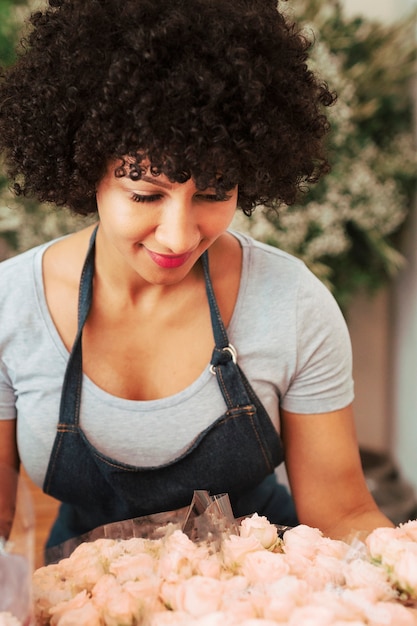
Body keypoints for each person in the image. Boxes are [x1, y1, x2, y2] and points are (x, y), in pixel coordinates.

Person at [0, 0, 393, 551]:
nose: (180, 236)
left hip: (268, 592)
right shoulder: (11, 306)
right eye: (144, 194)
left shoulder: (294, 303)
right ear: (85, 168)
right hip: (80, 597)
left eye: (214, 194)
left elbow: (344, 511)